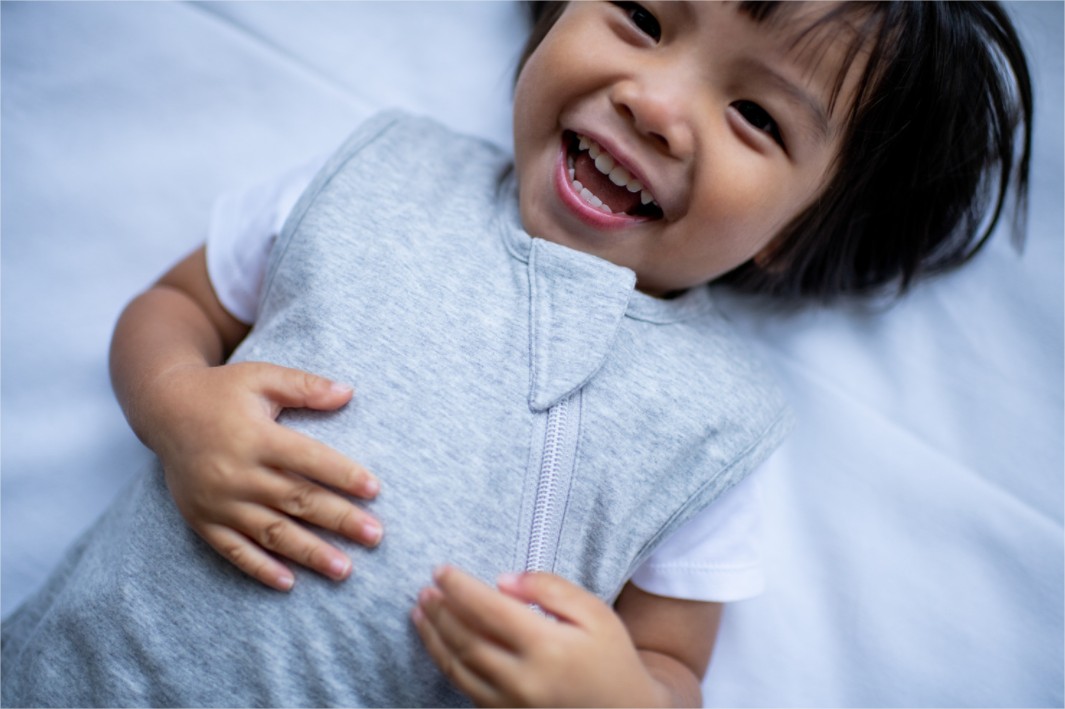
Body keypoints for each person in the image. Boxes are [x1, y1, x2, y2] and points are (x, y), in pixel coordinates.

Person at [1, 2, 1031, 707]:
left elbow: (671, 660)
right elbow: (176, 305)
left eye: (754, 116)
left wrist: (613, 694)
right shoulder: (379, 175)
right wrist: (179, 405)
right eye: (641, 17)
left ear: (794, 234)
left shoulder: (711, 422)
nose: (655, 105)